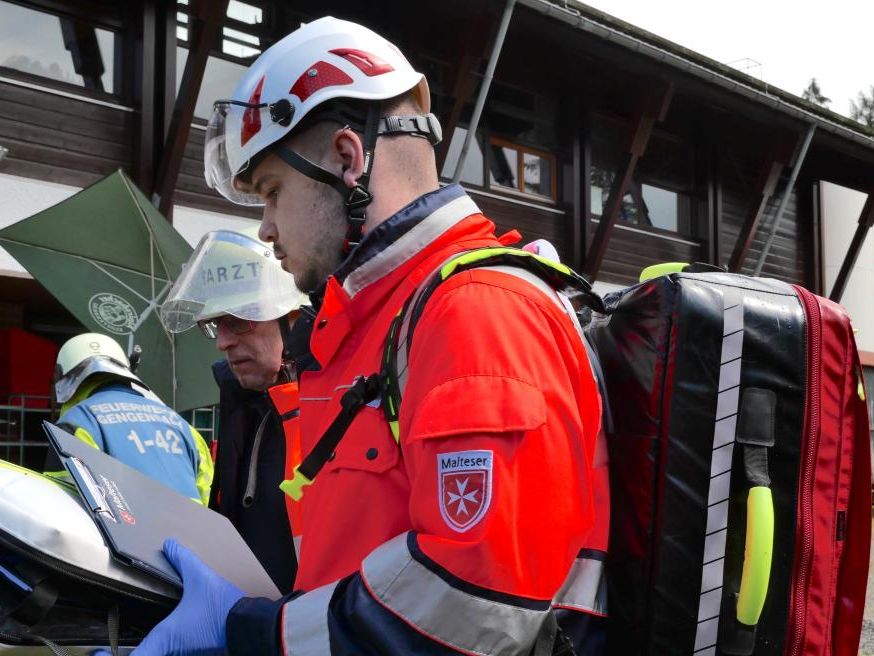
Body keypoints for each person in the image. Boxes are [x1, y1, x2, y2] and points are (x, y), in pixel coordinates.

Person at [132, 16, 605, 656]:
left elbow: (468, 607)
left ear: (348, 160)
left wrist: (249, 631)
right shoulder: (379, 325)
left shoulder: (476, 313)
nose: (266, 229)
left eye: (272, 192)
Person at [160, 227, 309, 593]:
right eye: (215, 325)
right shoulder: (242, 404)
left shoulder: (340, 412)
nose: (223, 342)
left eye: (239, 320)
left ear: (294, 318)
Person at [52, 332, 212, 505]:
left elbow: (64, 502)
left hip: (123, 531)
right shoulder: (183, 427)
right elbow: (206, 495)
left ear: (63, 377)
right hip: (191, 530)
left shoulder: (76, 424)